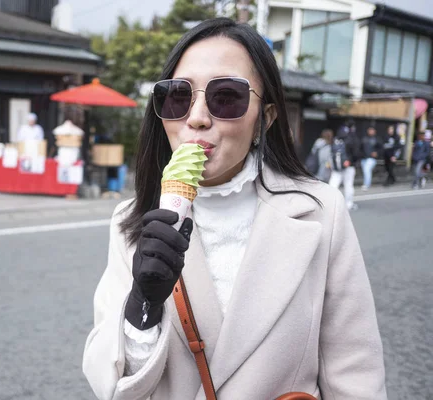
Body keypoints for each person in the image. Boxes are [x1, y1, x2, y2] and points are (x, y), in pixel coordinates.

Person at [83, 18, 386, 400]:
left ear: (266, 117)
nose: (196, 117)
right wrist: (143, 305)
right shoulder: (132, 219)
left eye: (226, 97)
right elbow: (111, 385)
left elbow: (355, 371)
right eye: (178, 96)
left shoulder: (321, 211)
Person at [328, 121, 360, 210]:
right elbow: (356, 152)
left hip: (337, 165)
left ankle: (329, 203)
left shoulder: (337, 136)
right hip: (349, 165)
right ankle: (348, 204)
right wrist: (352, 161)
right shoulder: (352, 137)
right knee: (348, 185)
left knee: (333, 184)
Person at [360, 126, 381, 191]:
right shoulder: (364, 138)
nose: (371, 132)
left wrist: (377, 153)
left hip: (371, 158)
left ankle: (366, 185)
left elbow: (381, 148)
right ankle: (366, 183)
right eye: (370, 130)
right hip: (364, 158)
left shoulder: (377, 139)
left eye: (372, 130)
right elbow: (360, 148)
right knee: (365, 171)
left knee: (367, 170)